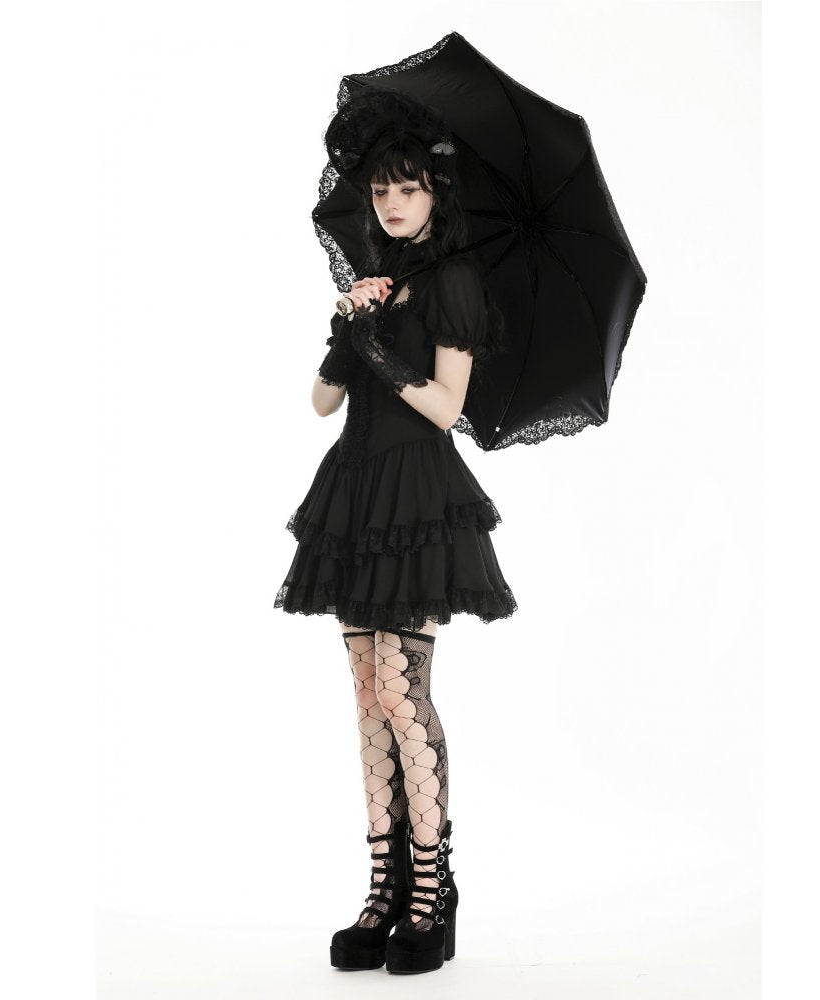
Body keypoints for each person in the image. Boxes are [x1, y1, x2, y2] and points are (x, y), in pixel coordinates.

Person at [273, 124, 518, 974]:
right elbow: (319, 404)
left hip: (416, 493)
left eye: (407, 188)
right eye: (381, 190)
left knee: (402, 691)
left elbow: (449, 408)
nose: (391, 202)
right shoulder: (374, 283)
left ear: (435, 195)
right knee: (367, 698)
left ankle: (431, 889)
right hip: (353, 491)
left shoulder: (454, 281)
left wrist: (379, 349)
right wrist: (351, 327)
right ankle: (385, 885)